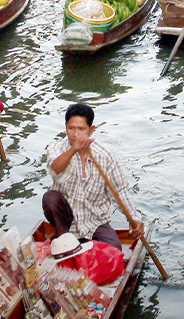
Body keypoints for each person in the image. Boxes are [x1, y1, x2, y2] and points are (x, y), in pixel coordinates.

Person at [43, 104, 144, 250]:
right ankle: (64, 239)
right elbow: (55, 169)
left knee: (114, 249)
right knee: (50, 198)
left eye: (81, 129)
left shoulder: (105, 155)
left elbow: (120, 191)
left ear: (91, 130)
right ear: (66, 127)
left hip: (95, 221)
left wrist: (133, 218)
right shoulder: (56, 148)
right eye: (71, 128)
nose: (75, 134)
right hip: (66, 222)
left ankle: (81, 244)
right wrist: (74, 149)